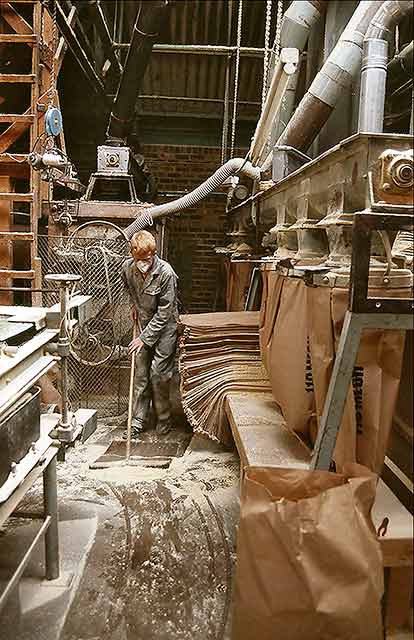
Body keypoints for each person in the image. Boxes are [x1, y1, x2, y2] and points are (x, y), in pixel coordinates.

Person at [122, 230, 178, 438]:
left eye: (148, 258)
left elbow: (165, 313)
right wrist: (134, 305)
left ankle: (164, 419)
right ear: (133, 256)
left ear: (153, 254)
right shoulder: (128, 268)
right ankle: (138, 420)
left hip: (165, 328)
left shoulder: (166, 273)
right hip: (144, 322)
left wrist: (143, 340)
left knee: (158, 373)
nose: (145, 262)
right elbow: (129, 289)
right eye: (140, 259)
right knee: (141, 373)